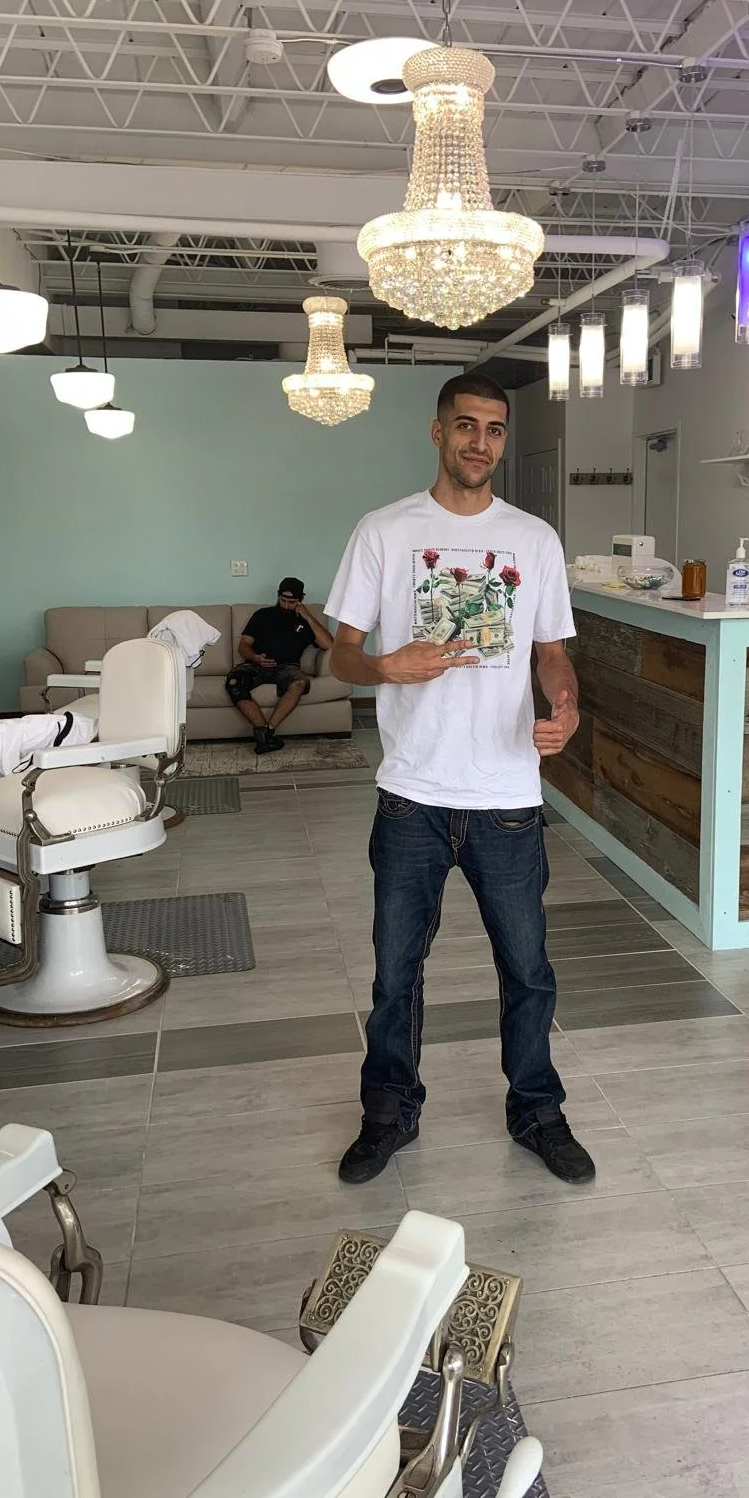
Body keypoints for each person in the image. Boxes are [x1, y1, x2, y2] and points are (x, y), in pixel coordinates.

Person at [325, 372, 595, 1188]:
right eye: (466, 426)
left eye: (496, 430)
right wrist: (383, 665)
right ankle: (388, 1111)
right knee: (395, 972)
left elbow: (552, 652)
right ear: (437, 433)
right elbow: (340, 655)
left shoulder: (535, 540)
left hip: (507, 797)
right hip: (412, 791)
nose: (482, 442)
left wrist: (567, 704)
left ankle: (536, 1109)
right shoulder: (385, 530)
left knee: (528, 970)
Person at [226, 577, 333, 754]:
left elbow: (329, 645)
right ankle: (263, 735)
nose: (285, 605)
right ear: (278, 596)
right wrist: (256, 657)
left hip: (287, 667)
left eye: (291, 602)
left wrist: (307, 616)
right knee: (233, 682)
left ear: (300, 600)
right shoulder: (262, 615)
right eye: (283, 600)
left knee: (299, 683)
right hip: (257, 664)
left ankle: (268, 731)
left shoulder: (305, 622)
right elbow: (243, 646)